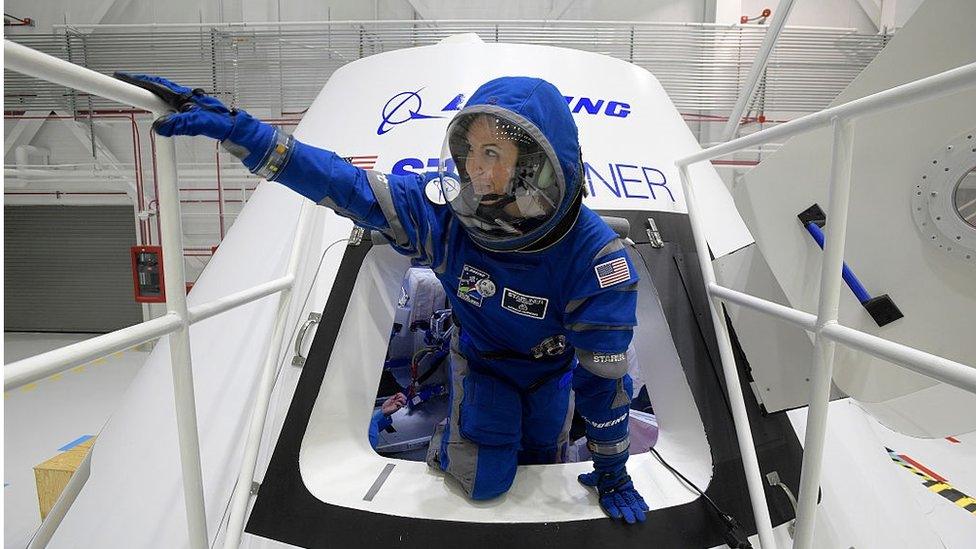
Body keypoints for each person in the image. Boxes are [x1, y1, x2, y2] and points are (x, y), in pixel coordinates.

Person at [121, 73, 649, 524]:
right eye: (469, 152)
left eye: (493, 153)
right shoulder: (445, 217)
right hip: (484, 364)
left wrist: (612, 473)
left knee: (543, 462)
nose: (474, 170)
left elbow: (602, 381)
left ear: (536, 163)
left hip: (552, 371)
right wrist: (244, 134)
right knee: (486, 483)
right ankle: (451, 432)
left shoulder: (595, 259)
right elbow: (345, 184)